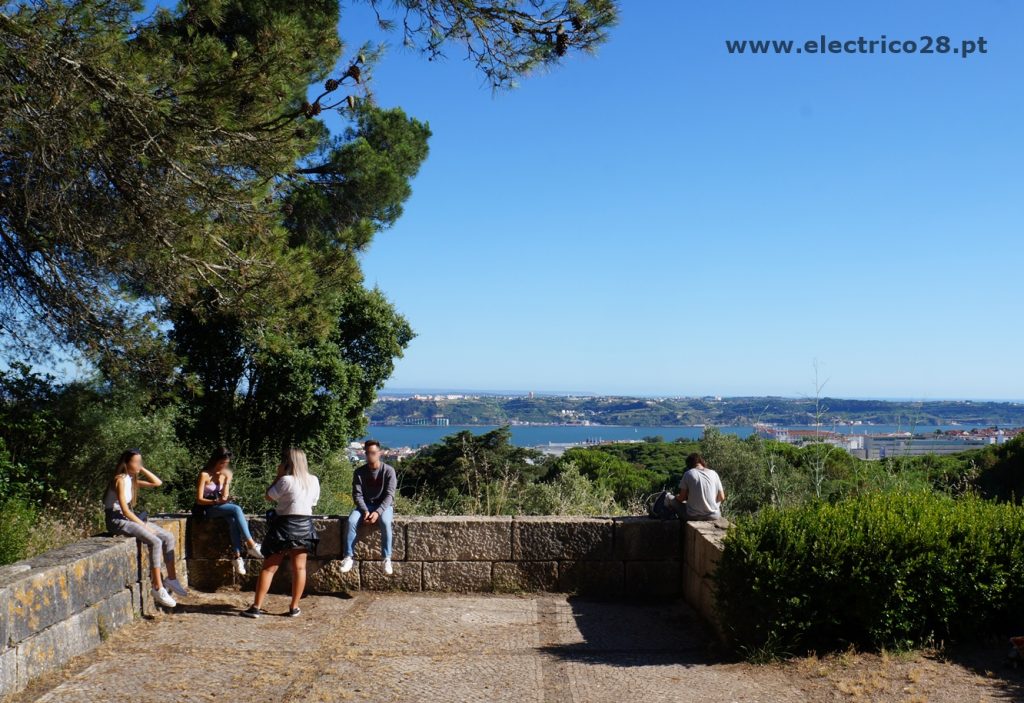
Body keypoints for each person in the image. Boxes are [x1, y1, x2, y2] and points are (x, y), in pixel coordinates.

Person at [241, 448, 320, 618]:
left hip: (284, 526)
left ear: (288, 463)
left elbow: (269, 496)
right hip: (305, 526)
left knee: (269, 568)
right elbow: (313, 503)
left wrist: (278, 475)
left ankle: (256, 607)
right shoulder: (313, 480)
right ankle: (294, 607)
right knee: (300, 568)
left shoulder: (285, 480)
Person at [104, 449, 187, 608]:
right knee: (155, 541)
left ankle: (171, 579)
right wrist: (143, 526)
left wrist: (140, 468)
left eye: (139, 462)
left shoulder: (131, 479)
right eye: (135, 462)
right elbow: (125, 510)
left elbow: (158, 483)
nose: (138, 465)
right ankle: (157, 587)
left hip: (127, 517)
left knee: (168, 536)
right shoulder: (120, 479)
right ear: (126, 463)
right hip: (116, 520)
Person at [193, 446, 263, 576]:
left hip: (218, 506)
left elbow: (224, 497)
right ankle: (251, 544)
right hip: (205, 509)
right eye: (221, 463)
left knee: (232, 519)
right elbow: (199, 499)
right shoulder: (204, 474)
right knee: (236, 508)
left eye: (226, 464)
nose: (223, 466)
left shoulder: (223, 475)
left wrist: (226, 482)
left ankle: (237, 557)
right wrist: (215, 502)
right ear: (215, 461)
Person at [339, 440, 397, 576]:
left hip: (383, 506)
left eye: (373, 453)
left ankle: (387, 558)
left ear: (379, 453)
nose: (370, 456)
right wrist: (365, 510)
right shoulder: (359, 472)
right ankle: (348, 557)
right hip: (364, 505)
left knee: (386, 522)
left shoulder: (388, 471)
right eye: (368, 453)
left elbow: (390, 496)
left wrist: (377, 512)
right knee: (351, 521)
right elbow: (357, 495)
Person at [676, 452, 726, 521]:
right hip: (714, 516)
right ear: (701, 461)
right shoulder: (714, 473)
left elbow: (682, 498)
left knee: (668, 498)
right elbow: (722, 497)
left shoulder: (688, 474)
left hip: (693, 516)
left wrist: (676, 497)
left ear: (689, 465)